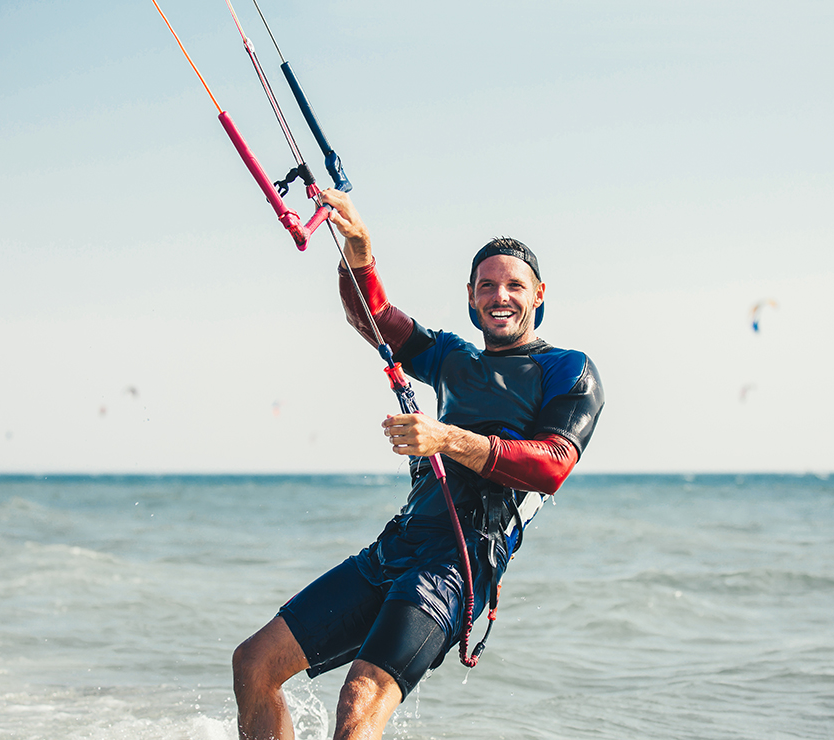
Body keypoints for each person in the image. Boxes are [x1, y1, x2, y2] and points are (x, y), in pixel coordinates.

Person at [232, 189, 604, 740]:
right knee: (255, 664)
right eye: (487, 286)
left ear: (538, 294)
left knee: (359, 698)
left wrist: (447, 439)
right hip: (400, 543)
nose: (500, 296)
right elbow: (374, 317)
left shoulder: (567, 370)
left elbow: (551, 466)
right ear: (472, 297)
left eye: (514, 286)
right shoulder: (452, 358)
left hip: (461, 559)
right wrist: (358, 246)